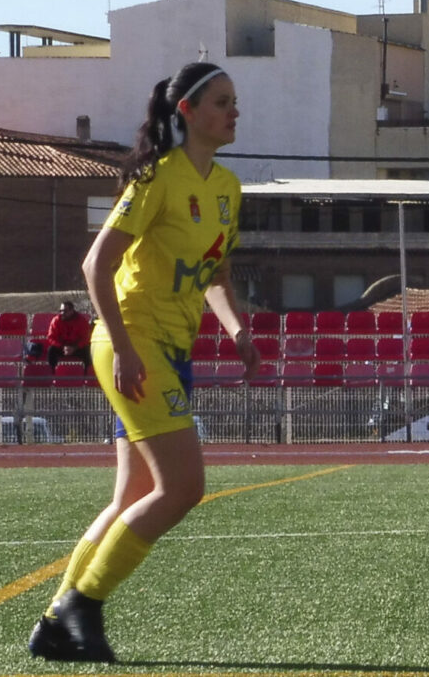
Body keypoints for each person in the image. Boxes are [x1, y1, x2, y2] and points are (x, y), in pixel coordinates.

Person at [28, 62, 260, 662]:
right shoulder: (159, 176)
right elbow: (94, 266)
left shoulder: (228, 189)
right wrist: (127, 349)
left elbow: (217, 274)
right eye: (221, 102)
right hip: (132, 343)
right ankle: (85, 601)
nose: (234, 112)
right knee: (183, 487)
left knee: (131, 493)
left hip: (170, 349)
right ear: (186, 110)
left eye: (235, 102)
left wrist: (237, 330)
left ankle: (56, 620)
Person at [46, 301, 93, 372]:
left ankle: (87, 374)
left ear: (72, 311)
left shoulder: (81, 321)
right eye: (60, 311)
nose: (62, 313)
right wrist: (62, 347)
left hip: (77, 347)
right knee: (51, 350)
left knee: (88, 349)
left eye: (65, 311)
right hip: (61, 347)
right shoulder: (56, 320)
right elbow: (51, 337)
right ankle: (52, 373)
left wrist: (75, 347)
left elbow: (86, 338)